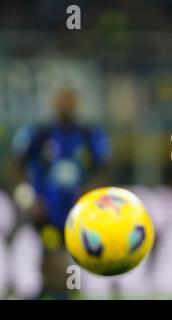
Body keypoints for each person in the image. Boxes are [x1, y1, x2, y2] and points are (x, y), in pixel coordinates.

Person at [11, 87, 110, 299]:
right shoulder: (38, 134)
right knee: (53, 260)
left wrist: (90, 192)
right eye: (62, 99)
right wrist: (27, 199)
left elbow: (105, 170)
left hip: (77, 215)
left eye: (70, 99)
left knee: (68, 266)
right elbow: (13, 167)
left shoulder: (89, 135)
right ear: (54, 102)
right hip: (45, 212)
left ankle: (58, 293)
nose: (66, 103)